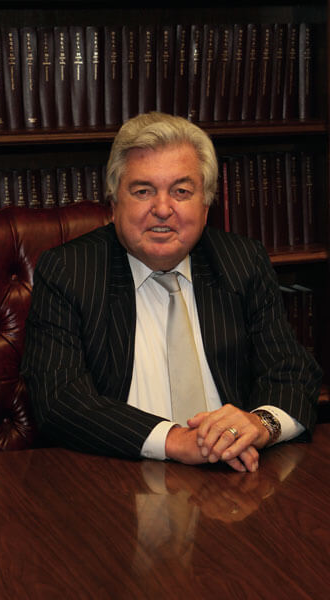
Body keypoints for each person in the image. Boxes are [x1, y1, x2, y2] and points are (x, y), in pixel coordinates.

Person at [21, 112, 322, 473]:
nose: (162, 210)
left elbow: (292, 372)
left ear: (205, 206)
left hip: (235, 475)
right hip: (117, 476)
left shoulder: (242, 261)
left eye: (181, 191)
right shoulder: (69, 271)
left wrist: (259, 424)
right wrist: (175, 440)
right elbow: (59, 399)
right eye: (143, 191)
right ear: (114, 204)